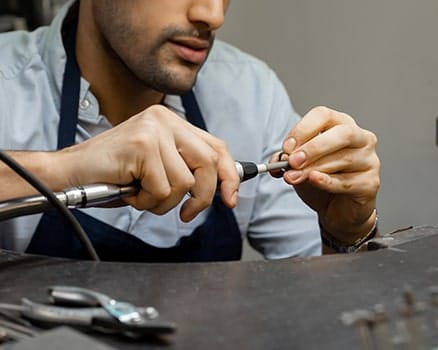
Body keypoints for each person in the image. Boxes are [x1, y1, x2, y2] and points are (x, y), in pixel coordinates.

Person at [0, 0, 380, 261]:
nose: (212, 14)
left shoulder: (250, 93)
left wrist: (346, 233)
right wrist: (64, 169)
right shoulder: (7, 82)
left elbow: (326, 312)